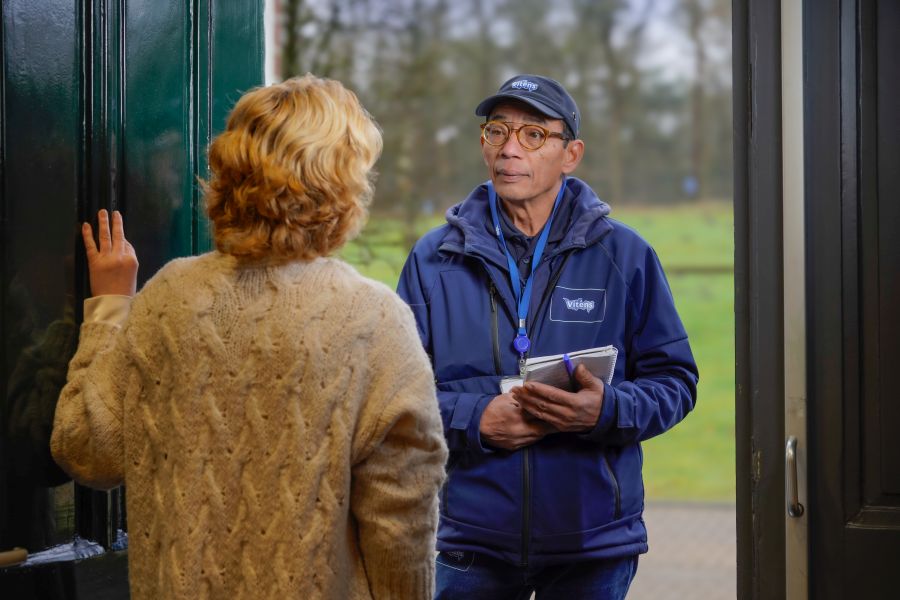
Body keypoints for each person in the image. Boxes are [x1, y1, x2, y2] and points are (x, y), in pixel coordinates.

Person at [51, 75, 448, 600]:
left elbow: (86, 449)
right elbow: (401, 520)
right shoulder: (374, 322)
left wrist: (109, 309)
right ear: (342, 186)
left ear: (231, 173)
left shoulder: (168, 298)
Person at [397, 74, 699, 599]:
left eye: (533, 134)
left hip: (593, 548)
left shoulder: (626, 257)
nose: (510, 149)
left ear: (571, 154)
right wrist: (476, 420)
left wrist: (603, 411)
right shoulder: (432, 260)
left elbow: (675, 382)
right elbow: (395, 399)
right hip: (471, 546)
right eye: (497, 131)